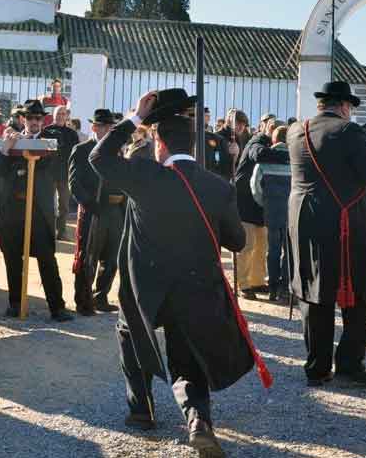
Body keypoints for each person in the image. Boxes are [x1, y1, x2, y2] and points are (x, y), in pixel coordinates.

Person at [90, 89, 255, 456]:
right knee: (187, 359)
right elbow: (237, 242)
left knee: (130, 333)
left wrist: (134, 117)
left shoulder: (144, 175)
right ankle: (198, 419)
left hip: (146, 286)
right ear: (194, 146)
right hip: (196, 286)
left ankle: (142, 410)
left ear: (159, 143)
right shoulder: (217, 186)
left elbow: (98, 156)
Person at [287, 80, 366, 388]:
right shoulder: (348, 131)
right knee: (358, 293)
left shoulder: (295, 131)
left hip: (302, 221)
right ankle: (349, 363)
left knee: (313, 292)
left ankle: (317, 367)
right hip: (343, 226)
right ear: (345, 106)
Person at [0, 100, 73, 321]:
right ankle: (15, 303)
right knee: (12, 258)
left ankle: (57, 307)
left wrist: (19, 165)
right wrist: (6, 149)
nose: (34, 122)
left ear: (43, 120)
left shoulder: (50, 142)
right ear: (23, 119)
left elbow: (48, 167)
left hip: (39, 210)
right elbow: (0, 171)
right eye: (30, 118)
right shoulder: (12, 141)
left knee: (47, 258)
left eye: (38, 118)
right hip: (14, 209)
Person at [68, 108, 123, 315]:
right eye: (104, 126)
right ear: (94, 127)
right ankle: (83, 300)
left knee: (111, 258)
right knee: (87, 257)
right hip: (93, 210)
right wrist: (90, 204)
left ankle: (101, 296)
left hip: (115, 210)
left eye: (110, 127)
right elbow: (74, 183)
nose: (108, 130)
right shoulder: (82, 149)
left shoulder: (116, 151)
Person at [232, 116, 289, 299]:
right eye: (270, 125)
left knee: (261, 245)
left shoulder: (270, 144)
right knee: (247, 245)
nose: (273, 128)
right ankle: (243, 284)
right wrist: (288, 155)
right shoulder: (256, 141)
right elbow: (258, 155)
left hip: (261, 203)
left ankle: (257, 281)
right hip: (245, 201)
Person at [249, 124, 291, 301]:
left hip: (271, 212)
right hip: (290, 213)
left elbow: (255, 186)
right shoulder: (293, 159)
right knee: (288, 252)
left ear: (273, 139)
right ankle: (285, 287)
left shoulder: (264, 161)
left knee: (272, 250)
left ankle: (273, 287)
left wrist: (264, 203)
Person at [42, 105, 80, 238]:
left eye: (63, 114)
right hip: (49, 173)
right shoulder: (45, 131)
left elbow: (76, 155)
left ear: (67, 116)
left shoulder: (72, 134)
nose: (60, 116)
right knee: (48, 204)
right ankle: (49, 231)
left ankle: (62, 231)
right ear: (53, 115)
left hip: (65, 173)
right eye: (58, 113)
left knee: (64, 205)